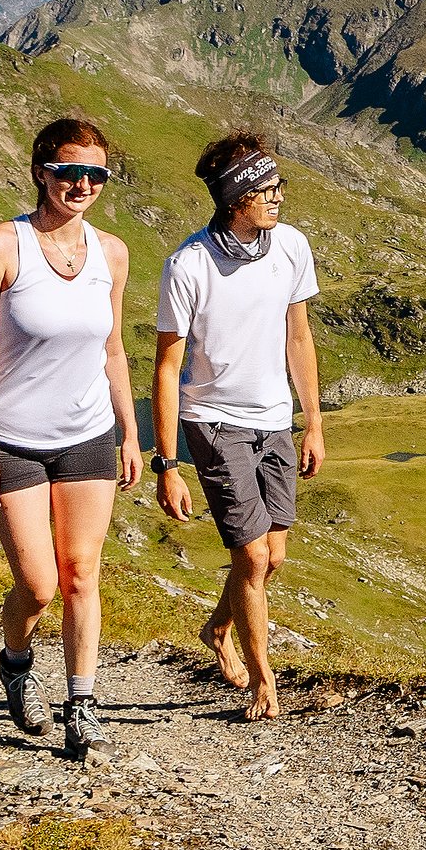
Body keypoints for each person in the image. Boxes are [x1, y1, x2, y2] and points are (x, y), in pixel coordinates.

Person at [0, 117, 143, 758]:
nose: (82, 184)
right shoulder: (1, 247)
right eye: (68, 172)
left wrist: (128, 431)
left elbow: (114, 350)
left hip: (88, 434)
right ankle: (15, 660)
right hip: (14, 440)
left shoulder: (112, 254)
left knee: (82, 575)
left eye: (96, 174)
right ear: (41, 172)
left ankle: (80, 704)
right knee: (38, 584)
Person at [152, 131, 324, 721]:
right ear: (234, 199)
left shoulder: (292, 246)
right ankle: (262, 681)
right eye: (266, 189)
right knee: (251, 559)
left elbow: (298, 336)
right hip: (212, 421)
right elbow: (167, 365)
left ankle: (218, 628)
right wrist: (169, 464)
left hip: (274, 417)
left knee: (271, 556)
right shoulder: (189, 265)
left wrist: (313, 424)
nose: (278, 197)